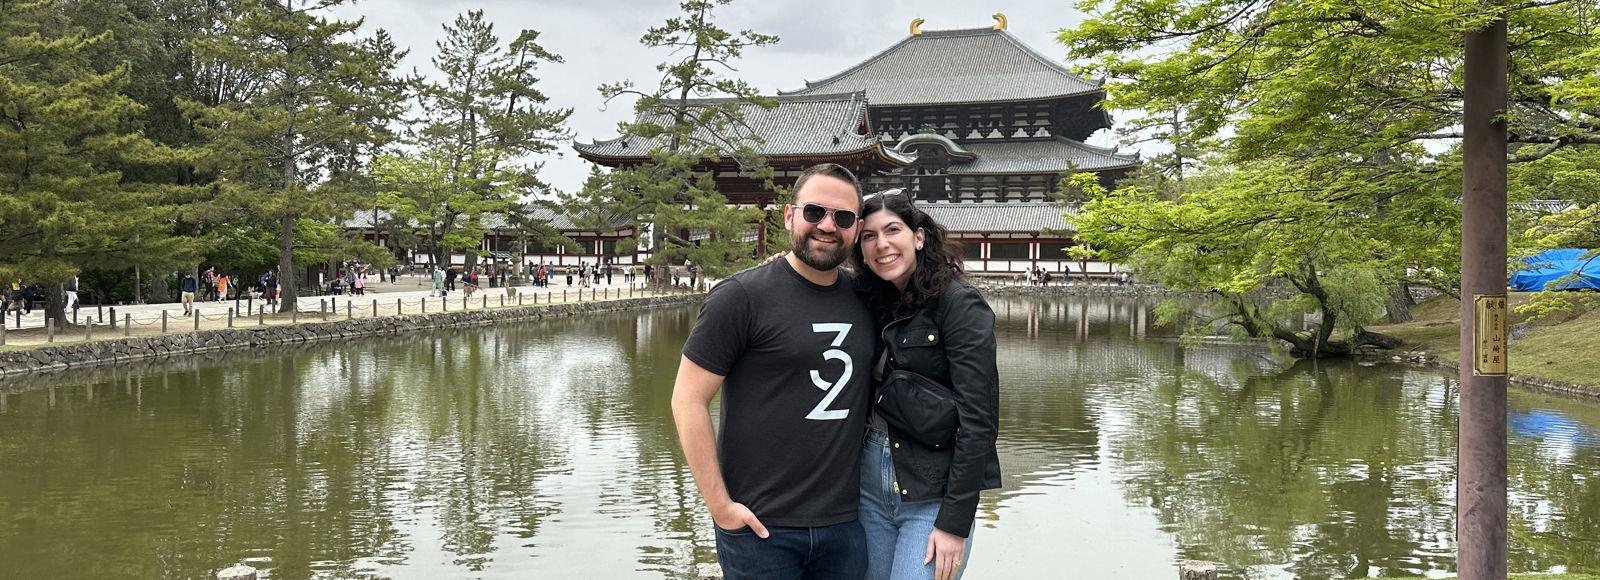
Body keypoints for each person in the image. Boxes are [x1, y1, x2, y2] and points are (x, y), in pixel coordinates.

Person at [673, 163, 875, 580]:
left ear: (856, 229)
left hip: (846, 525)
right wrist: (720, 506)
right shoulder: (741, 297)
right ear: (788, 216)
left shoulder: (869, 298)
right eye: (814, 212)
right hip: (760, 528)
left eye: (842, 218)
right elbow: (688, 399)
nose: (827, 226)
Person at [851, 189, 1001, 580]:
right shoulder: (868, 299)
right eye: (869, 236)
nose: (882, 244)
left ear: (918, 237)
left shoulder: (958, 303)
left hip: (932, 488)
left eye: (893, 230)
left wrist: (954, 522)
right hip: (869, 481)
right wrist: (783, 269)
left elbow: (979, 421)